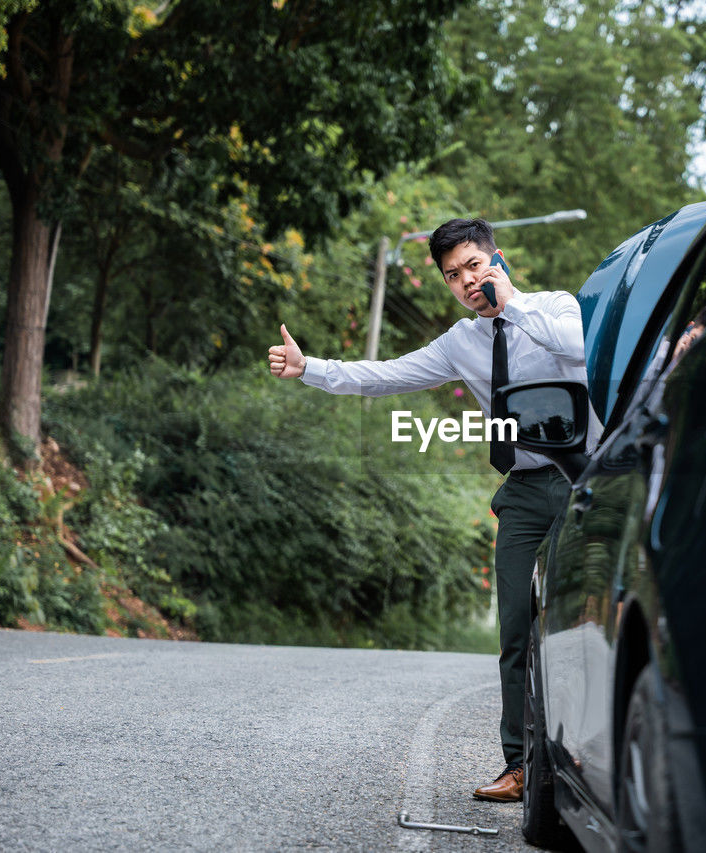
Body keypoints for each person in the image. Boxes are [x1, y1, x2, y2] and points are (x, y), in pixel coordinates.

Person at [267, 218, 587, 803]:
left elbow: (580, 347)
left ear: (497, 259)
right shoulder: (459, 343)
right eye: (453, 275)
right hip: (521, 491)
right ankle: (519, 765)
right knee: (516, 629)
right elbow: (386, 377)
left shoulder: (555, 308)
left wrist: (510, 303)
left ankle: (587, 757)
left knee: (578, 627)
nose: (466, 282)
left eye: (473, 266)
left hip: (579, 482)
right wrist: (309, 368)